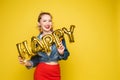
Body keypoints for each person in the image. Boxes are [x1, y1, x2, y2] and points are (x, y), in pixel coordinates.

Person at [18, 12, 70, 80]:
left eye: (49, 20)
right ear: (39, 23)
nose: (47, 23)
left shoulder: (59, 36)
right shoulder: (36, 41)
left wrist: (62, 53)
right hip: (41, 73)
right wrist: (27, 62)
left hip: (55, 72)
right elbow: (36, 59)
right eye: (44, 21)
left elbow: (66, 55)